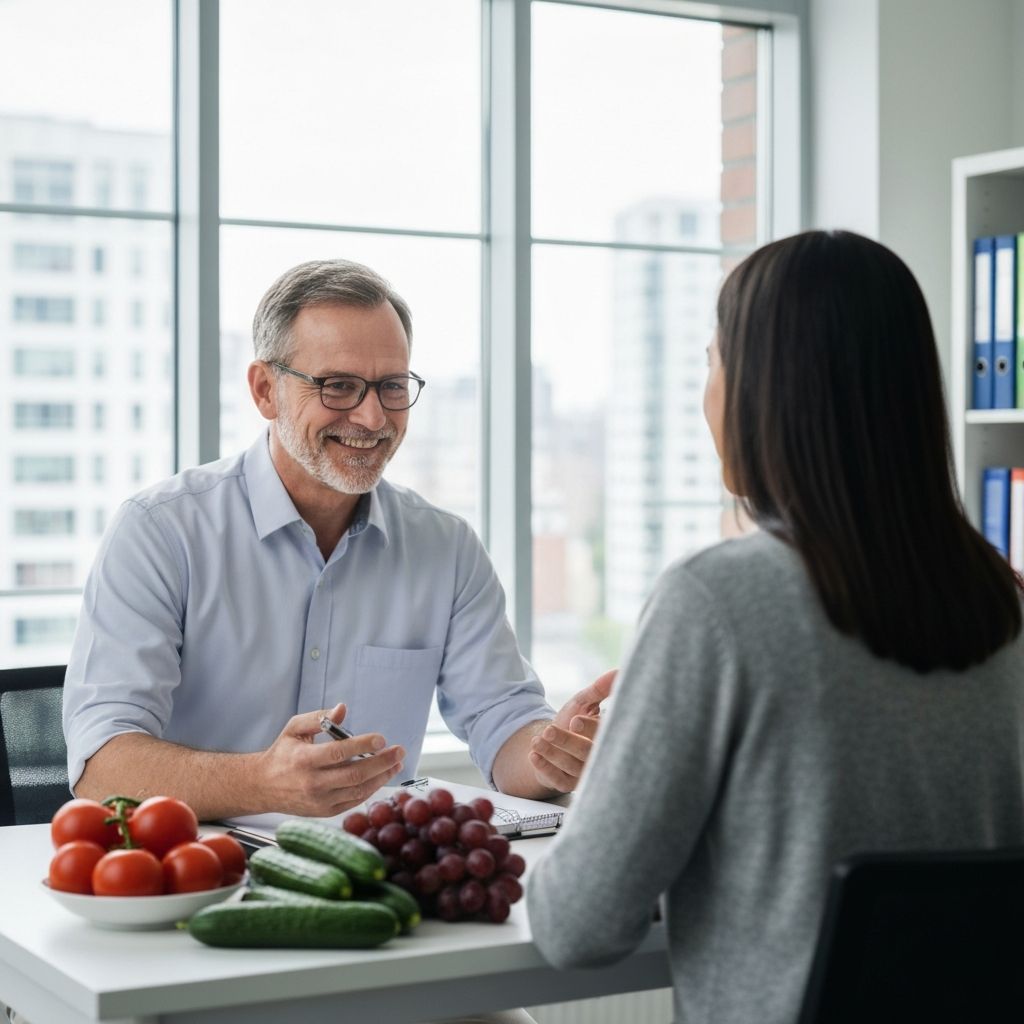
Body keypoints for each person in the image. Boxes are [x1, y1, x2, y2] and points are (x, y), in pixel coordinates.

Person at [526, 230, 1024, 1024]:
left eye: (712, 362)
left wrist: (620, 780)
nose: (705, 393)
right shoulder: (1004, 602)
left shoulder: (717, 600)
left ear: (766, 388)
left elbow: (575, 926)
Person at [63, 258, 613, 822]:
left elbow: (505, 726)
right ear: (264, 390)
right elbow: (102, 766)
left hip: (372, 882)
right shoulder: (161, 531)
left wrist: (552, 756)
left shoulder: (445, 548)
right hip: (198, 877)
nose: (373, 417)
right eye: (339, 386)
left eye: (392, 386)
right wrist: (262, 783)